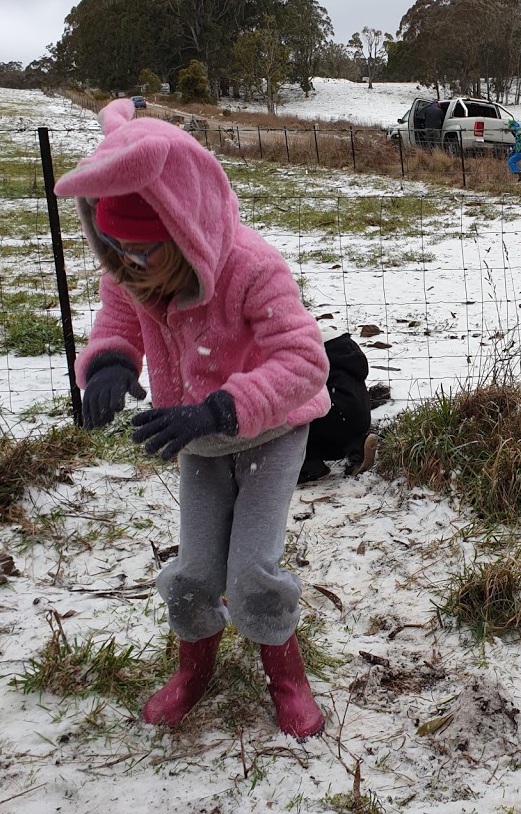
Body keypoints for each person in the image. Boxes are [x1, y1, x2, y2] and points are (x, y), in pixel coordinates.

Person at [54, 98, 331, 739]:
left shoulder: (251, 266)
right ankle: (193, 671)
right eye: (113, 249)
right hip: (197, 441)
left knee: (251, 569)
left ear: (182, 232)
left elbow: (305, 360)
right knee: (197, 571)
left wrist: (220, 406)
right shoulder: (130, 270)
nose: (125, 267)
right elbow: (119, 317)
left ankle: (286, 676)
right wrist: (110, 366)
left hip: (272, 428)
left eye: (141, 252)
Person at [300, 329, 377, 483]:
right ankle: (356, 447)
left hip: (334, 416)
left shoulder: (314, 356)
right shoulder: (347, 357)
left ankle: (310, 464)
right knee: (336, 425)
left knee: (298, 418)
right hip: (359, 416)